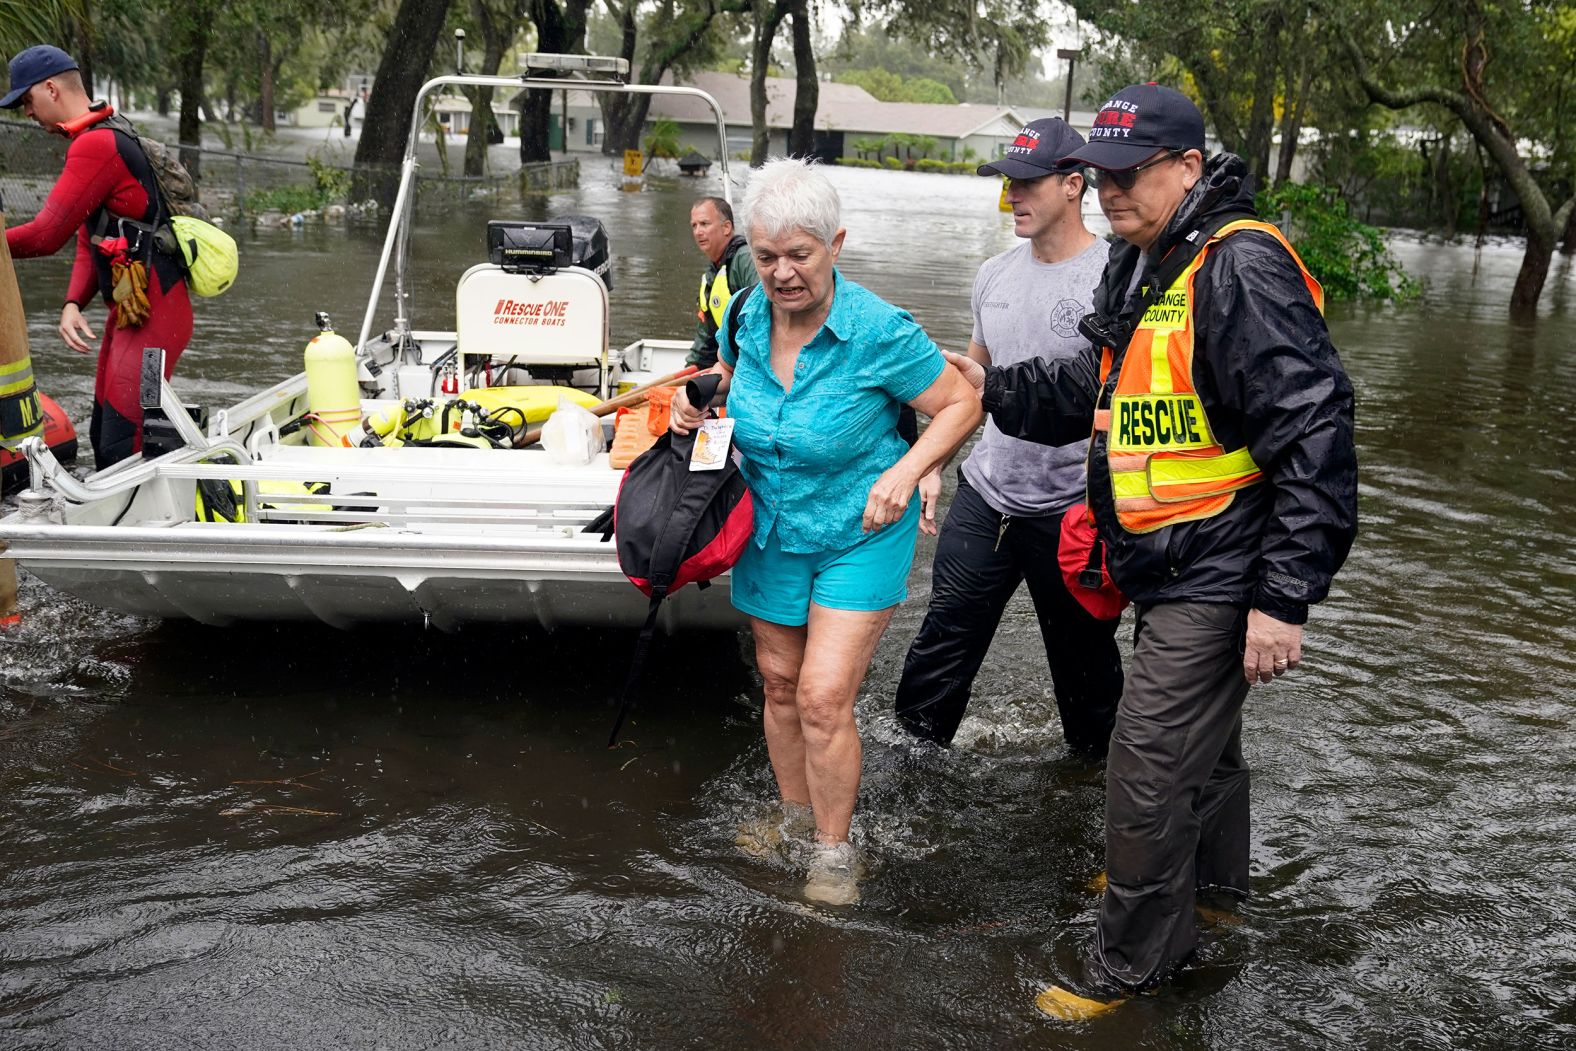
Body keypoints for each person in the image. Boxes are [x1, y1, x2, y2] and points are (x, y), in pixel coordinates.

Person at [946, 84, 1357, 1016]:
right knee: (1201, 760)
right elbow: (1096, 395)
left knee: (1142, 762)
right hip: (1164, 558)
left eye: (1131, 176)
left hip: (1223, 563)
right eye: (1100, 175)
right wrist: (988, 385)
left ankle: (1132, 965)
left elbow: (1317, 431)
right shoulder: (1139, 264)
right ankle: (1209, 898)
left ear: (1187, 167)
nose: (1111, 192)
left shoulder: (1239, 267)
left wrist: (1284, 597)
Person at [670, 159, 981, 905]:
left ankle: (834, 853)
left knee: (819, 696)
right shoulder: (746, 310)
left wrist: (907, 472)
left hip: (859, 529)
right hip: (772, 522)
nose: (782, 273)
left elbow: (962, 403)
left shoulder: (878, 331)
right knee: (778, 684)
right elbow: (728, 374)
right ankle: (793, 815)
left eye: (799, 255)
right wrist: (698, 405)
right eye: (768, 255)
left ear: (835, 243)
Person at [894, 117, 1122, 756]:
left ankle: (1095, 782)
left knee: (1084, 673)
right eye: (1005, 183)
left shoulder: (1115, 276)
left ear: (1074, 184)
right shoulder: (993, 274)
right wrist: (935, 461)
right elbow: (971, 389)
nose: (1012, 196)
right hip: (987, 494)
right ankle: (907, 771)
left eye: (1026, 183)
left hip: (1073, 510)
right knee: (940, 647)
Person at [2, 44, 193, 468]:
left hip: (155, 315)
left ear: (50, 89)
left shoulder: (96, 144)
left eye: (26, 101)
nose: (27, 114)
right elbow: (94, 240)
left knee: (123, 439)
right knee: (104, 432)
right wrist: (73, 302)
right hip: (135, 312)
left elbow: (46, 236)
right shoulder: (107, 129)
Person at [686, 196, 755, 369]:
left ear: (726, 227)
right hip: (730, 360)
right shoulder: (713, 272)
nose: (698, 231)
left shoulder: (745, 259)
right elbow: (706, 337)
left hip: (750, 362)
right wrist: (691, 368)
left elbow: (764, 314)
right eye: (694, 225)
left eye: (704, 224)